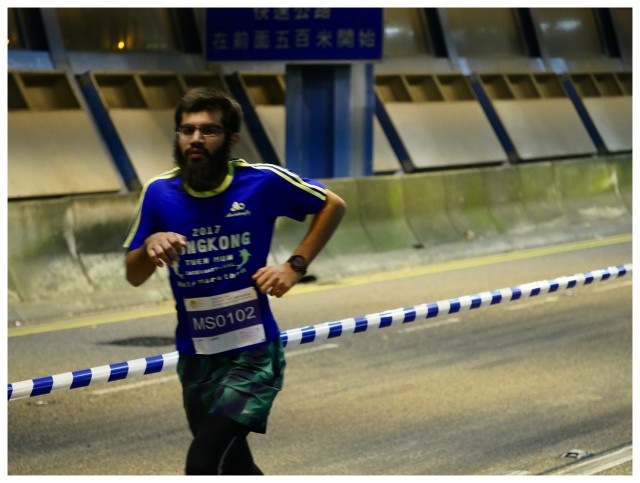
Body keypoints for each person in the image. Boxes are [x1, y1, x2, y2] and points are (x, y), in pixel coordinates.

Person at [122, 87, 346, 475]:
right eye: (187, 130)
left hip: (252, 353)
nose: (195, 139)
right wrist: (151, 244)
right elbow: (134, 275)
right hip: (197, 356)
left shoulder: (261, 182)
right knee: (236, 467)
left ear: (231, 138)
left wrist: (294, 266)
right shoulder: (159, 193)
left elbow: (332, 204)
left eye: (208, 130)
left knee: (202, 463)